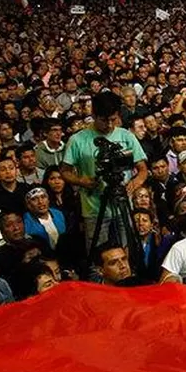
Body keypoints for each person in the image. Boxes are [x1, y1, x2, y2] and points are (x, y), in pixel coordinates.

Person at [61, 91, 149, 255]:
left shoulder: (126, 136)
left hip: (123, 203)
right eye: (104, 120)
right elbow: (65, 172)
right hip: (94, 207)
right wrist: (82, 181)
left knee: (126, 250)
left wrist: (134, 183)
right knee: (97, 254)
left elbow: (143, 169)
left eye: (113, 120)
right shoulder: (78, 140)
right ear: (93, 115)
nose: (109, 124)